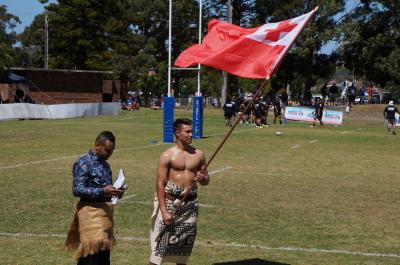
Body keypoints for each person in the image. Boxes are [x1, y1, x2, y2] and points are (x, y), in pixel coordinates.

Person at [149, 118, 210, 265]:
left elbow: (206, 180)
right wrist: (163, 211)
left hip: (190, 205)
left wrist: (202, 178)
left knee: (183, 250)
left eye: (191, 131)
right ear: (177, 133)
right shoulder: (167, 155)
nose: (191, 134)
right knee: (159, 251)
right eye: (187, 131)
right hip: (171, 203)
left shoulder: (199, 154)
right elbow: (160, 183)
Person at [65, 131, 124, 265]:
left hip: (104, 215)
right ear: (97, 145)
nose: (110, 154)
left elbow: (106, 190)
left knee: (103, 257)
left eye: (112, 150)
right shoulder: (83, 163)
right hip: (89, 214)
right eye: (107, 150)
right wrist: (102, 190)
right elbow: (77, 189)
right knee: (90, 258)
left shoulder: (105, 164)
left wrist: (116, 192)